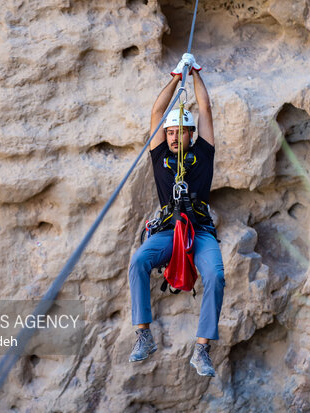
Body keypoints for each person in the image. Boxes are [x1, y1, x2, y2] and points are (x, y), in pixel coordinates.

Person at [128, 53, 226, 377]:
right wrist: (175, 77)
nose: (172, 137)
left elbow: (206, 109)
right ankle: (144, 333)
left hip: (200, 231)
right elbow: (158, 111)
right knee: (139, 260)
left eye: (178, 132)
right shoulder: (159, 158)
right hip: (169, 231)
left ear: (189, 134)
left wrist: (196, 73)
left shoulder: (203, 154)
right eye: (169, 133)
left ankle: (202, 349)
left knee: (216, 274)